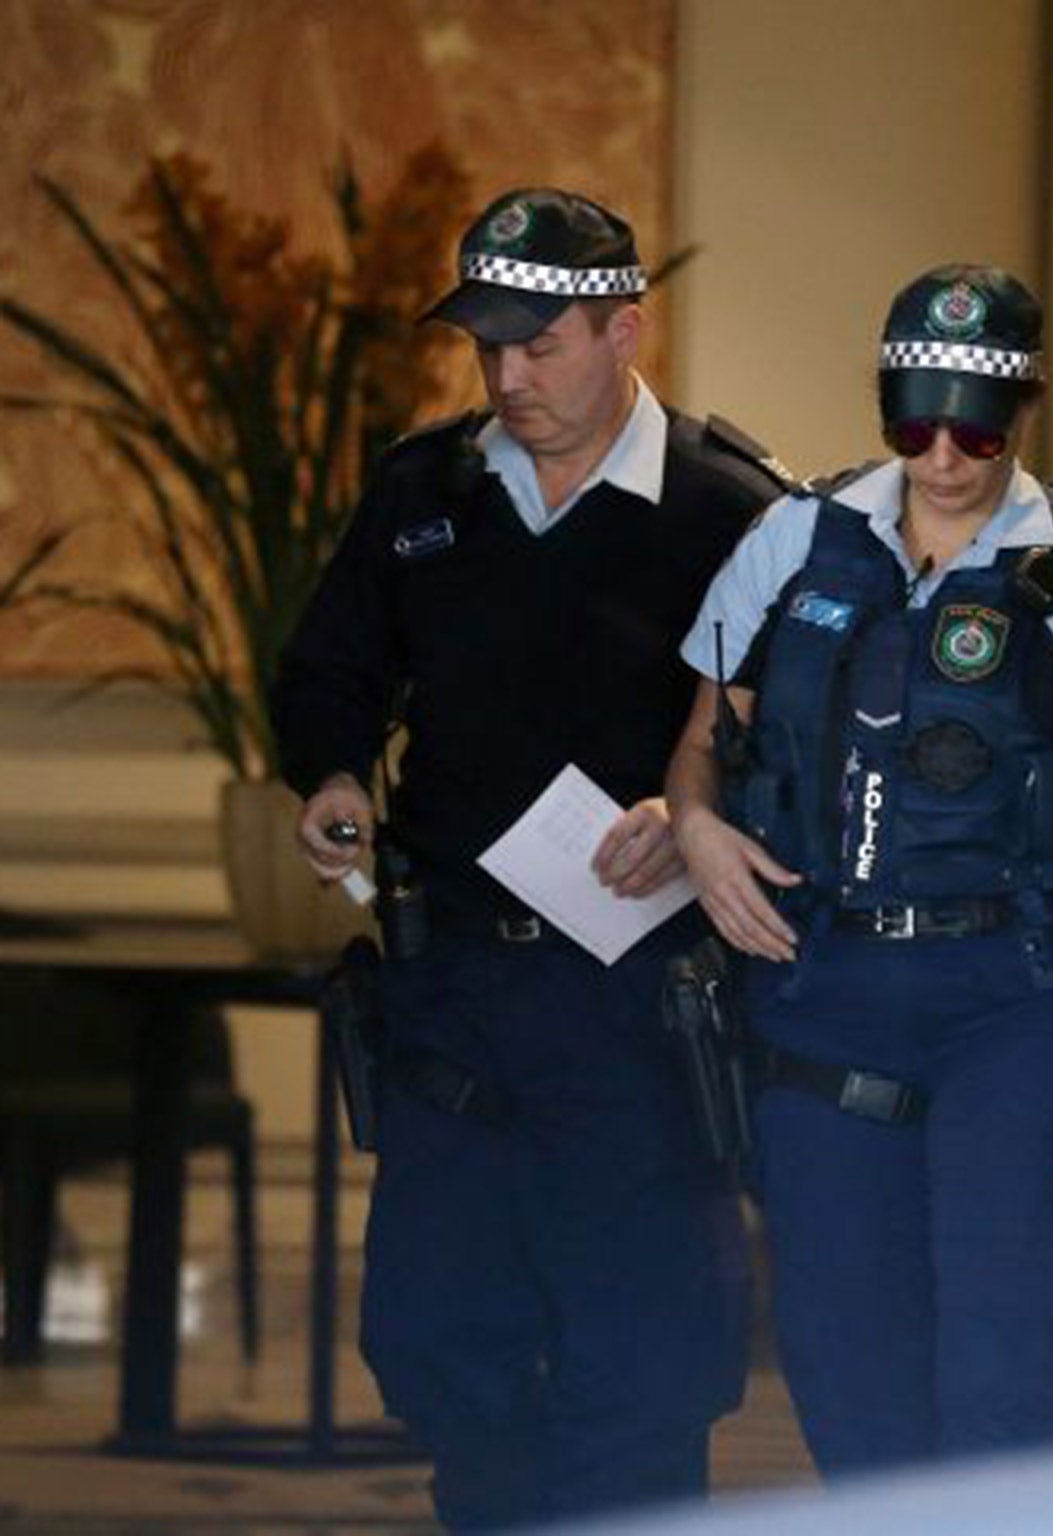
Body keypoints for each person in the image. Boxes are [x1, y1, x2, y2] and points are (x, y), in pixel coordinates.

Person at [271, 188, 785, 1528]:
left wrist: (700, 816)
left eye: (539, 341)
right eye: (485, 344)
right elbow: (330, 669)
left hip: (640, 1009)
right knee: (447, 1350)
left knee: (646, 1368)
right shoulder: (424, 490)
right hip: (457, 1002)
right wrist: (330, 776)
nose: (508, 375)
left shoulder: (728, 509)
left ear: (626, 329)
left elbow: (808, 728)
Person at [665, 264, 1053, 1472]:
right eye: (915, 420)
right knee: (842, 1365)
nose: (947, 453)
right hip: (824, 991)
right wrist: (696, 830)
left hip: (1019, 999)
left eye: (978, 424)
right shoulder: (792, 541)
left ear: (1024, 413)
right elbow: (698, 751)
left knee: (1011, 1366)